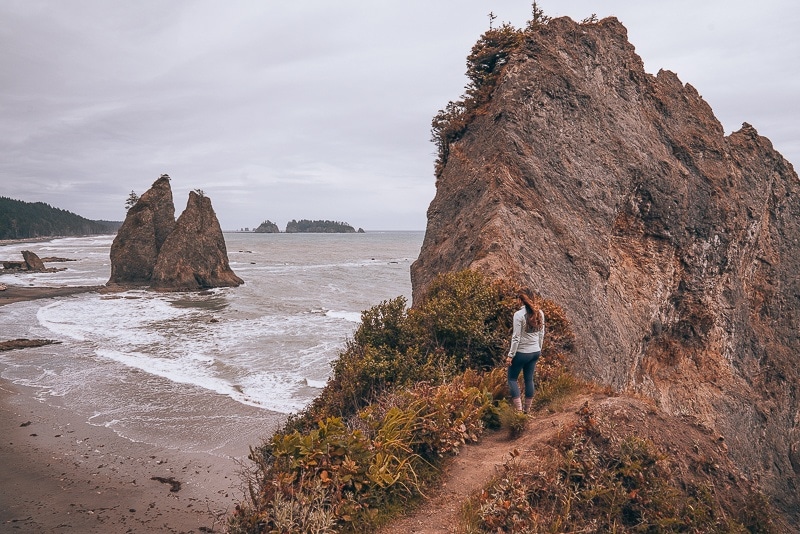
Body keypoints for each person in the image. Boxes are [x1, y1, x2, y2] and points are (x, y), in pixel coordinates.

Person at [506, 290, 545, 413]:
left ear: (520, 300)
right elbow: (541, 334)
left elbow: (516, 337)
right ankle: (527, 411)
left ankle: (519, 412)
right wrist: (539, 349)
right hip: (535, 352)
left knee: (512, 379)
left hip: (522, 352)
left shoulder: (519, 315)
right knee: (529, 379)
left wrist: (510, 355)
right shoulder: (540, 313)